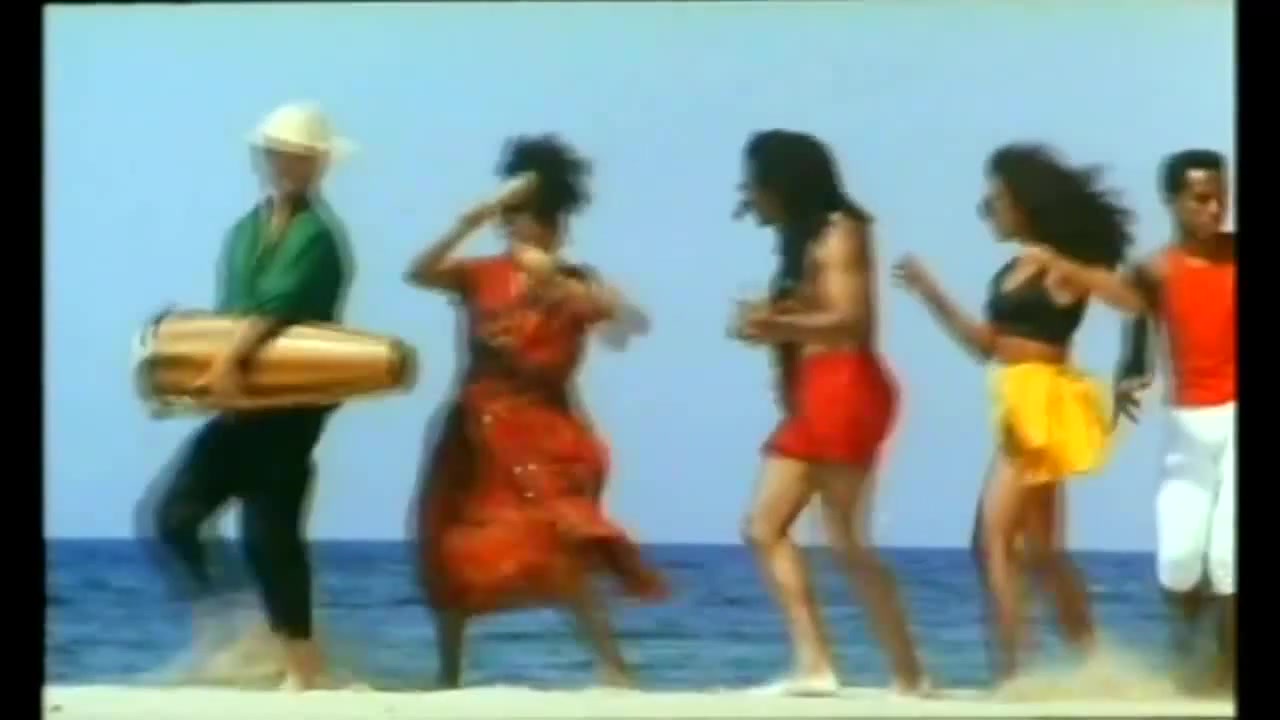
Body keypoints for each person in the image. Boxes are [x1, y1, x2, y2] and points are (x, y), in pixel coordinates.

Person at [406, 135, 667, 689]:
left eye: (549, 219)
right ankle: (448, 673)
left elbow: (631, 328)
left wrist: (573, 292)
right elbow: (418, 272)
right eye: (524, 217)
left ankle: (614, 667)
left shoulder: (574, 282)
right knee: (449, 544)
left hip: (545, 430)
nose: (539, 229)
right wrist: (469, 220)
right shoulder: (480, 274)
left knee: (559, 541)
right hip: (476, 427)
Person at [892, 143, 1133, 683]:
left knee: (992, 541)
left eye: (996, 199)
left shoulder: (1060, 267)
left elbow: (1130, 300)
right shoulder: (1012, 268)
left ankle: (1012, 675)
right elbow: (985, 346)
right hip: (1016, 396)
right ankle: (1097, 665)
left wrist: (1070, 269)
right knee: (1043, 551)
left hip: (1044, 401)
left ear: (1026, 204)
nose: (987, 209)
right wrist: (931, 293)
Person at [139, 103, 354, 690]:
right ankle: (239, 620)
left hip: (291, 405)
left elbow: (277, 311)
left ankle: (304, 669)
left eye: (301, 157)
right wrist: (184, 383)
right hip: (240, 401)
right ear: (263, 158)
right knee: (174, 518)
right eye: (279, 154)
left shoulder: (319, 237)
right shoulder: (243, 232)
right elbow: (231, 315)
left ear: (319, 165)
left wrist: (229, 363)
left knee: (269, 535)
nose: (288, 165)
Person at [729, 130, 926, 696]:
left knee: (829, 537)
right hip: (821, 388)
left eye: (756, 185)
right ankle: (840, 666)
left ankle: (891, 671)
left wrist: (776, 325)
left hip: (845, 384)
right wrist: (777, 320)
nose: (750, 196)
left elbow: (851, 319)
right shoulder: (803, 237)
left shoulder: (841, 231)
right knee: (782, 530)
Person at [1031, 149, 1235, 694]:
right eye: (1202, 199)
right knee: (1180, 559)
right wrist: (1129, 376)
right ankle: (1192, 651)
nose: (1215, 209)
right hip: (1187, 424)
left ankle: (1223, 673)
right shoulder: (1154, 270)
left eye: (1222, 197)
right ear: (1173, 201)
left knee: (1227, 555)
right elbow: (1139, 331)